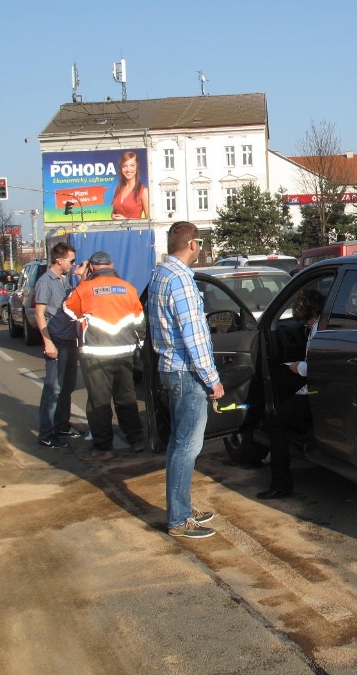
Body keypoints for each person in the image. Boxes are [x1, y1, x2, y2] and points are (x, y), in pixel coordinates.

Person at [149, 222, 224, 539]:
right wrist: (213, 380)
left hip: (170, 367)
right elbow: (193, 336)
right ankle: (178, 519)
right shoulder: (179, 280)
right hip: (186, 371)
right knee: (186, 447)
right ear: (193, 244)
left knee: (178, 444)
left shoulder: (161, 274)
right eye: (201, 243)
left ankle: (179, 507)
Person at [63, 250, 146, 460]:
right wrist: (140, 344)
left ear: (91, 267)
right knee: (126, 397)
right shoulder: (128, 288)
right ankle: (136, 440)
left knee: (99, 402)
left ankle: (103, 448)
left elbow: (69, 310)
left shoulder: (85, 288)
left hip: (95, 355)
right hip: (124, 353)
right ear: (111, 265)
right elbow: (139, 321)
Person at [257, 288, 326, 500]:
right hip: (327, 390)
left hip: (315, 392)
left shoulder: (317, 330)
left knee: (276, 419)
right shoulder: (327, 325)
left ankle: (281, 483)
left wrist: (297, 367)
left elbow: (314, 368)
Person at [34, 241, 82, 449]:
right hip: (56, 341)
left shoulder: (65, 280)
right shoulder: (46, 282)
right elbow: (39, 314)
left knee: (67, 387)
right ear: (59, 260)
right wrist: (48, 342)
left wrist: (80, 277)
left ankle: (62, 426)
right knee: (53, 388)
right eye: (71, 260)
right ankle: (46, 434)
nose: (73, 264)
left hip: (69, 340)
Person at [111, 151, 149, 220]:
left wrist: (126, 220)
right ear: (121, 168)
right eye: (125, 166)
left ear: (137, 167)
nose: (128, 169)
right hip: (117, 230)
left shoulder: (143, 191)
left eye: (132, 165)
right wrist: (113, 216)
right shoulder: (117, 189)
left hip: (134, 230)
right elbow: (114, 212)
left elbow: (149, 220)